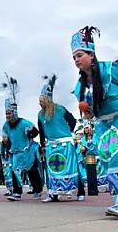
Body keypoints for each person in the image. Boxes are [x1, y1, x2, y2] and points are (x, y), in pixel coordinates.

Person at [71, 26, 118, 218]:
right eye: (74, 57)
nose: (76, 60)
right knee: (107, 155)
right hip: (104, 121)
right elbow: (91, 112)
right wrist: (88, 114)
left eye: (79, 55)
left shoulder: (109, 69)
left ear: (91, 54)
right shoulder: (80, 85)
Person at [0, 74, 43, 201]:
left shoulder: (24, 123)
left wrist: (30, 133)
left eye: (9, 113)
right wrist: (5, 141)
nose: (7, 115)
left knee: (32, 171)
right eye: (6, 113)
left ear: (14, 112)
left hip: (27, 150)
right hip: (16, 152)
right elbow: (5, 137)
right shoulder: (6, 125)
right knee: (14, 171)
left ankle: (38, 190)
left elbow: (36, 132)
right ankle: (17, 193)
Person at [38, 75, 78, 203]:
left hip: (65, 144)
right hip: (51, 145)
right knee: (53, 170)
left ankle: (75, 191)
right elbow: (42, 131)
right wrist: (42, 144)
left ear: (47, 100)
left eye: (41, 100)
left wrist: (67, 132)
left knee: (68, 167)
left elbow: (72, 121)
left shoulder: (60, 109)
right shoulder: (40, 114)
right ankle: (53, 194)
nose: (39, 103)